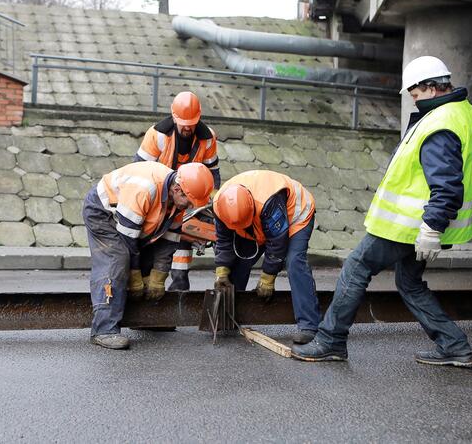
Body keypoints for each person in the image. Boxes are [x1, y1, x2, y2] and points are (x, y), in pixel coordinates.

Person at [292, 56, 472, 367]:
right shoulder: (465, 113)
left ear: (433, 88)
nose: (413, 100)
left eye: (416, 94)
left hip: (410, 226)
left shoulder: (440, 124)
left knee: (356, 267)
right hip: (421, 226)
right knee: (408, 283)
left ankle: (330, 341)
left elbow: (447, 184)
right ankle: (453, 345)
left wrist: (431, 228)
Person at [82, 161, 214, 350]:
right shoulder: (145, 189)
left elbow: (168, 241)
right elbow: (128, 240)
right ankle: (104, 330)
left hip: (135, 220)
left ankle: (144, 319)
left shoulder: (178, 195)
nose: (191, 207)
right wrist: (136, 276)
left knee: (149, 259)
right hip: (103, 213)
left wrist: (158, 277)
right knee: (117, 260)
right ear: (177, 190)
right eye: (190, 202)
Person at [212, 170, 321, 344]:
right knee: (238, 263)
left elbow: (277, 243)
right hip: (257, 220)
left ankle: (309, 325)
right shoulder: (220, 205)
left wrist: (267, 278)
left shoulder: (268, 201)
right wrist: (222, 272)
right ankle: (229, 317)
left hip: (296, 216)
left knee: (294, 262)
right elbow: (224, 241)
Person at [134, 91, 221, 292]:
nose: (187, 127)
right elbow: (139, 170)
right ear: (174, 116)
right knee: (156, 240)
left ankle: (180, 281)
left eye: (191, 123)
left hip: (192, 197)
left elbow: (213, 174)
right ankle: (147, 280)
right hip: (160, 195)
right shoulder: (157, 135)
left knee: (186, 232)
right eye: (183, 122)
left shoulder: (207, 138)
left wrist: (209, 204)